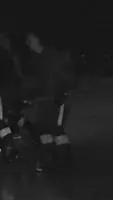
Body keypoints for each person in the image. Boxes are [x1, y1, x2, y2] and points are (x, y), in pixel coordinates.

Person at [22, 32, 76, 169]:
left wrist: (62, 93)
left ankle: (63, 159)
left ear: (39, 40)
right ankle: (50, 158)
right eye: (27, 40)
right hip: (44, 100)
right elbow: (36, 81)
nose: (28, 42)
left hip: (57, 99)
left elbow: (65, 76)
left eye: (31, 39)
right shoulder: (35, 60)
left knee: (56, 130)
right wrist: (31, 96)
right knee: (44, 130)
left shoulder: (52, 56)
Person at [0, 32, 24, 162]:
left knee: (3, 121)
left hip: (4, 91)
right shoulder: (8, 54)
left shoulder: (5, 55)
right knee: (5, 120)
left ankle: (9, 148)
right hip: (8, 91)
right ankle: (9, 147)